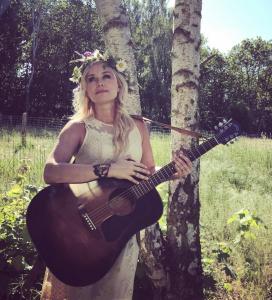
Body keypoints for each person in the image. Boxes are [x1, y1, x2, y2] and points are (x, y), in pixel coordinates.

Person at [40, 50, 193, 300]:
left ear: (119, 84)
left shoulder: (139, 126)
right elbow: (51, 171)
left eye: (106, 75)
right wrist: (107, 168)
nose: (99, 82)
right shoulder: (78, 128)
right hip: (78, 230)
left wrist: (170, 173)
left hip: (119, 234)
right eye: (91, 78)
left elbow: (148, 171)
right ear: (85, 89)